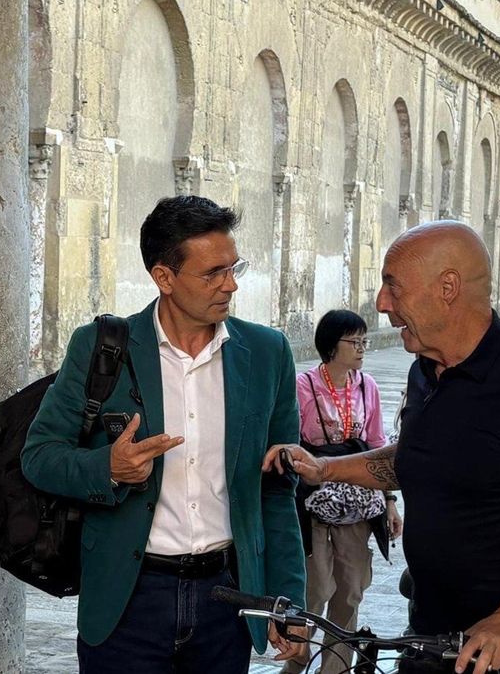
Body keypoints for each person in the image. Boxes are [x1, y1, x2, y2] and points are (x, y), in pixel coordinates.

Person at [264, 221, 500, 674]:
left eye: (393, 286)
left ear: (448, 287)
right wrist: (325, 468)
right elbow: (416, 458)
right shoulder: (424, 370)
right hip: (428, 638)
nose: (382, 303)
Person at [22, 195, 307, 673]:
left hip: (226, 599)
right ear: (164, 278)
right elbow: (39, 456)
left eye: (234, 267)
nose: (230, 284)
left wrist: (288, 600)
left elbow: (278, 490)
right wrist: (106, 468)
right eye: (213, 272)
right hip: (127, 597)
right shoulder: (101, 347)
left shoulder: (267, 353)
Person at [280, 310, 403, 674]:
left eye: (364, 341)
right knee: (315, 590)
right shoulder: (302, 386)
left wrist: (390, 502)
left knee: (350, 592)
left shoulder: (368, 387)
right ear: (332, 346)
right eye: (355, 341)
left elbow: (380, 446)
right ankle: (296, 662)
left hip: (359, 504)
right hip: (314, 504)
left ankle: (334, 670)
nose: (363, 348)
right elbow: (288, 442)